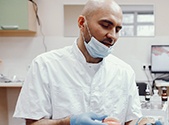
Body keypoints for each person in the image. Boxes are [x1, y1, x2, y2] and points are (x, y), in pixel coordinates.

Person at [13, 0, 161, 125]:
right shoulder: (45, 65)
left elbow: (131, 120)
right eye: (105, 25)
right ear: (82, 23)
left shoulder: (124, 72)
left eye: (117, 29)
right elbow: (32, 123)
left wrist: (143, 123)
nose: (112, 36)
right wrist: (67, 122)